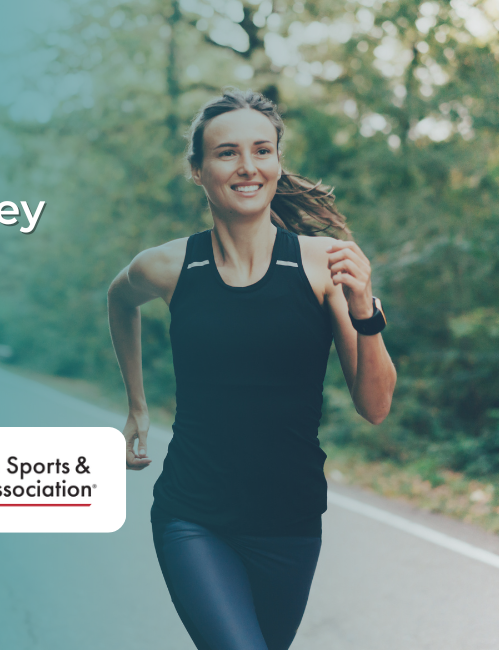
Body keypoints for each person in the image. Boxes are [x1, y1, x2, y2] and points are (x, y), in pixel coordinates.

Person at [107, 88, 397, 650]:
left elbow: (376, 406)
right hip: (193, 516)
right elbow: (119, 301)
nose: (247, 167)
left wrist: (365, 310)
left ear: (278, 163)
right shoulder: (168, 266)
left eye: (262, 151)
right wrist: (136, 406)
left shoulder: (323, 265)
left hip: (289, 521)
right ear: (198, 170)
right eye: (226, 153)